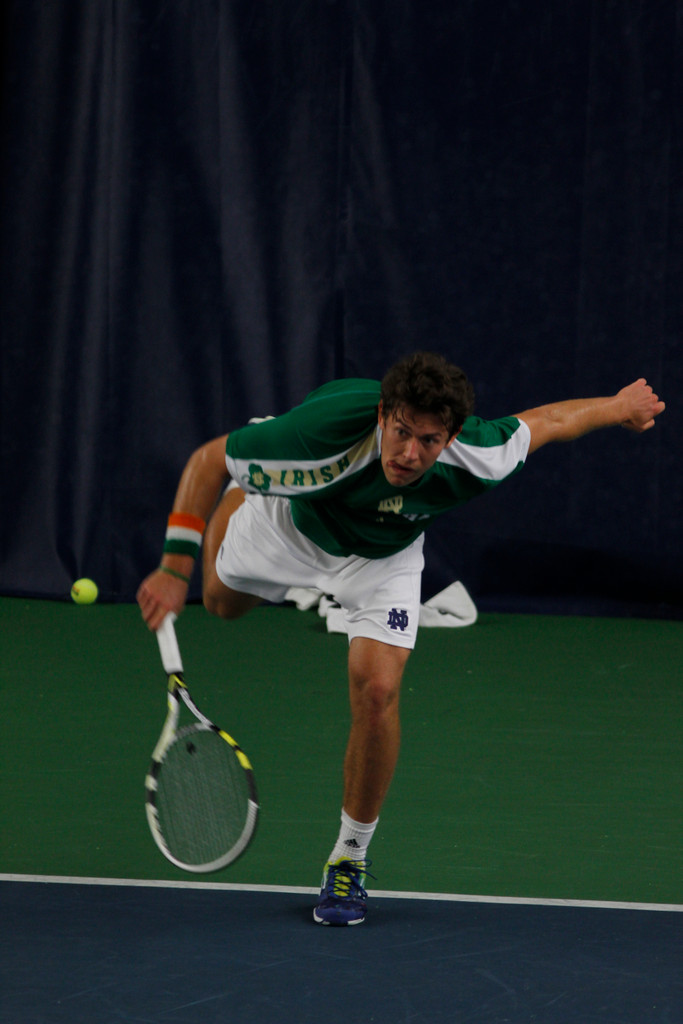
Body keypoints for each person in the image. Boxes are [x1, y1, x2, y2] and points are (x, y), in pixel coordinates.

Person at [137, 351, 665, 925]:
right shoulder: (323, 433)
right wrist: (173, 568)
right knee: (221, 604)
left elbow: (551, 421)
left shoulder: (478, 454)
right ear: (384, 414)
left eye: (429, 440)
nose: (410, 454)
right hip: (287, 526)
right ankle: (250, 490)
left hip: (381, 559)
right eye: (401, 432)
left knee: (377, 692)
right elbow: (205, 461)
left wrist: (617, 407)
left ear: (453, 437)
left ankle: (349, 860)